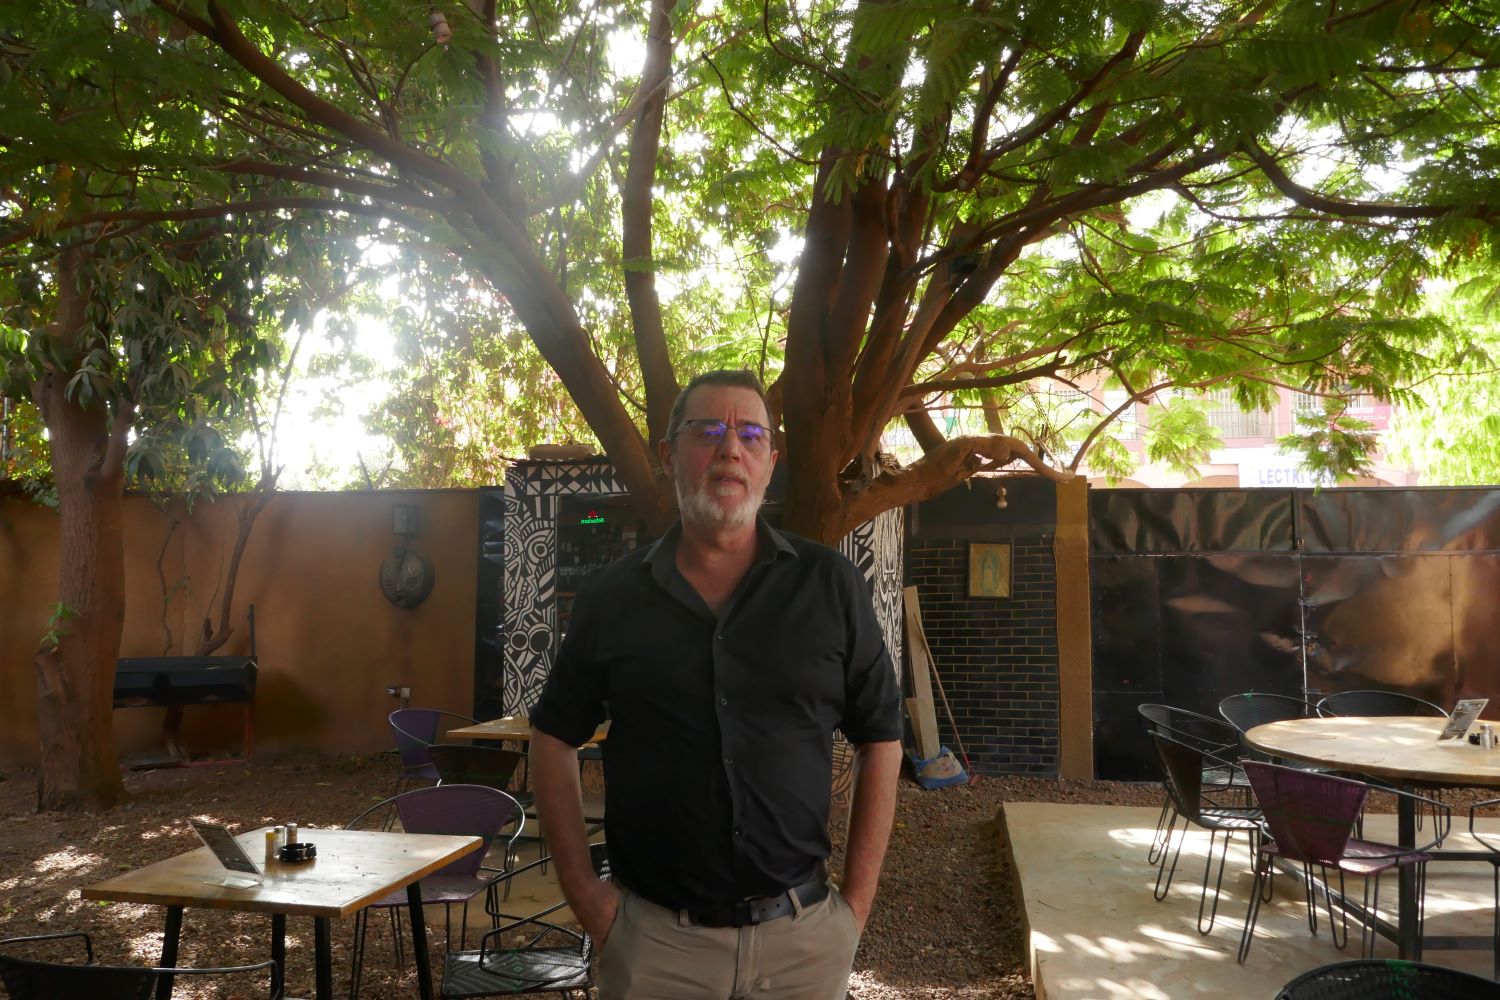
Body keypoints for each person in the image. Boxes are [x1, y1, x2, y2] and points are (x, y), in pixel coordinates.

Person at [530, 368, 903, 999]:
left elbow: (883, 739)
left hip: (803, 947)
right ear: (670, 455)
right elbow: (552, 737)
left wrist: (853, 910)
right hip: (655, 950)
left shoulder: (830, 587)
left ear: (769, 463)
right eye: (709, 430)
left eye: (752, 434)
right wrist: (588, 899)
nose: (731, 448)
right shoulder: (611, 599)